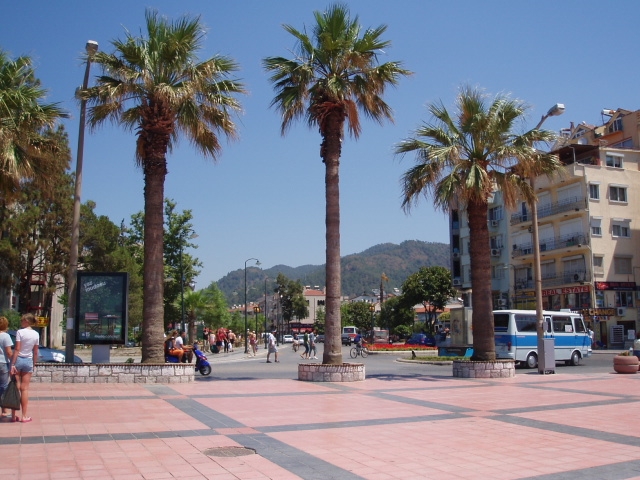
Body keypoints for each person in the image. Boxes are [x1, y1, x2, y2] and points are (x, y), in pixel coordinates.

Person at [10, 313, 39, 423]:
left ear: (27, 321)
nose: (21, 322)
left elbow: (17, 349)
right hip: (28, 360)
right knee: (25, 389)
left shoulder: (20, 332)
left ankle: (13, 415)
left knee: (15, 387)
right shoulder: (36, 334)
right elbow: (35, 351)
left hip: (18, 359)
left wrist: (12, 364)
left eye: (22, 320)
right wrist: (33, 364)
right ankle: (24, 416)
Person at [0, 316, 14, 419]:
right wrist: (13, 362)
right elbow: (9, 352)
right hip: (2, 363)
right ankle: (4, 410)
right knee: (3, 386)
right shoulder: (5, 336)